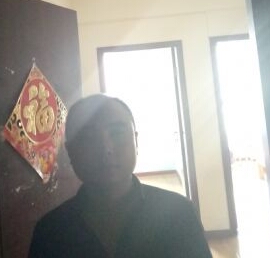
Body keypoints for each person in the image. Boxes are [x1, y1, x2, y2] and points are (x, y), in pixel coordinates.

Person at [28, 94, 212, 258]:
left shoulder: (179, 213)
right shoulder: (50, 230)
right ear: (70, 151)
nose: (106, 149)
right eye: (88, 137)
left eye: (117, 133)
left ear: (136, 141)